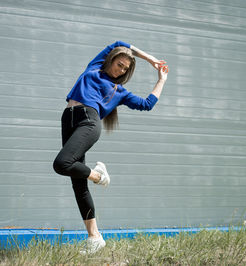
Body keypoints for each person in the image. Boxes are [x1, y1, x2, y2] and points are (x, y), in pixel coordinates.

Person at [53, 41, 168, 254]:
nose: (121, 70)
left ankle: (97, 176)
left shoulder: (120, 91)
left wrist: (161, 79)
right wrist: (150, 59)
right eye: (120, 64)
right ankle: (95, 237)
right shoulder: (94, 68)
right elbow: (119, 43)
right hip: (67, 119)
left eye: (125, 69)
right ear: (111, 60)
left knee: (62, 164)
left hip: (88, 121)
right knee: (78, 184)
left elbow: (147, 104)